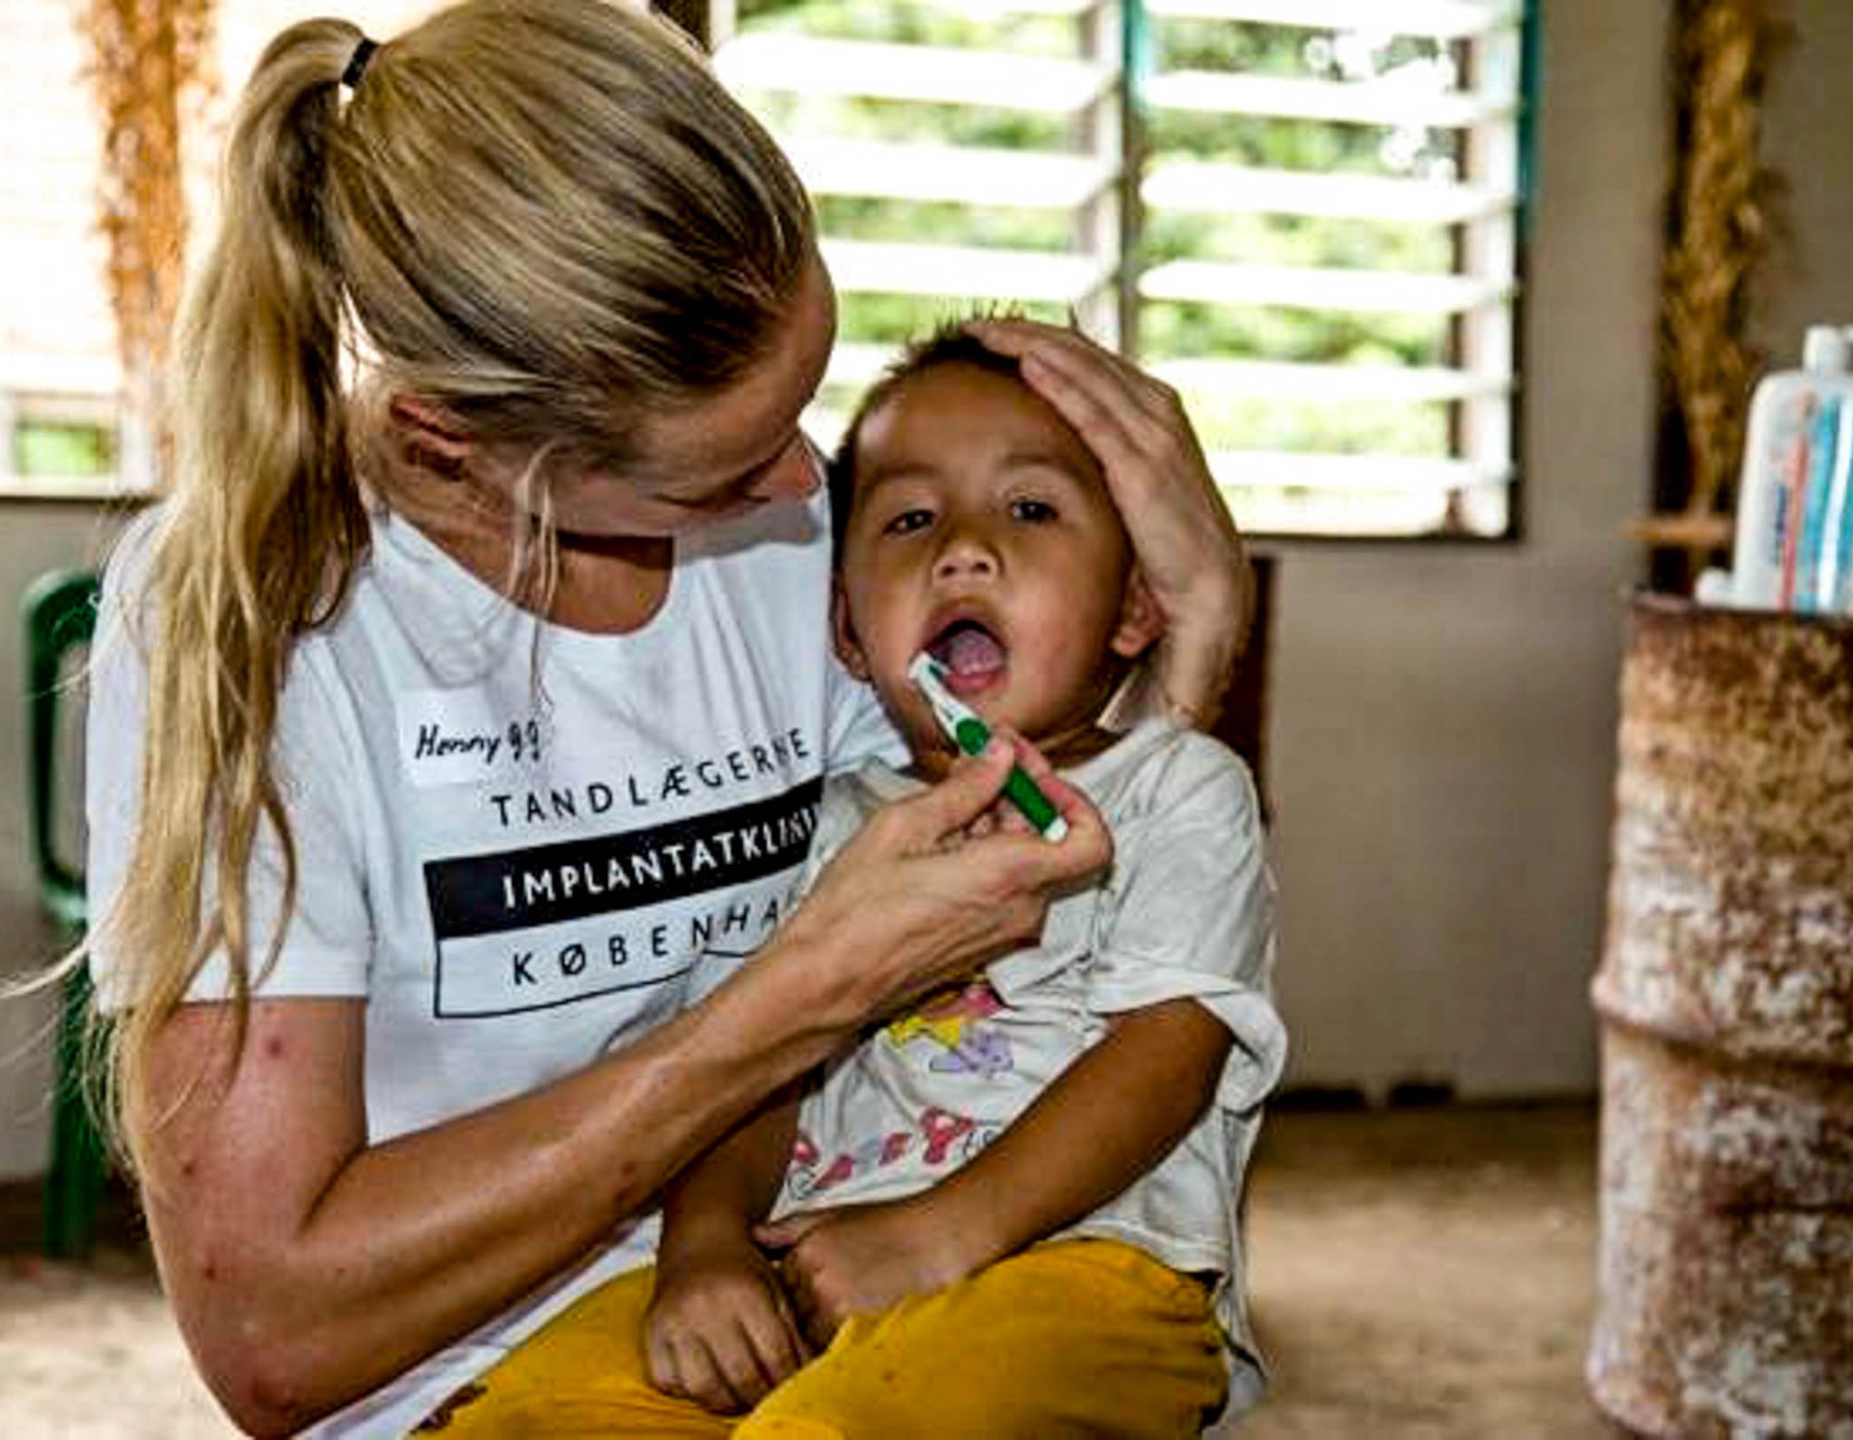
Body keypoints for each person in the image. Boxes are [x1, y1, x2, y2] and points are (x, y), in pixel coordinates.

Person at [78, 3, 1253, 1437]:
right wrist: (783, 1007)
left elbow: (1053, 941)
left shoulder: (816, 521)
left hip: (818, 1251)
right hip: (470, 1369)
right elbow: (271, 1338)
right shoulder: (253, 617)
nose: (796, 496)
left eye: (805, 418)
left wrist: (1187, 659)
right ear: (461, 440)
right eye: (718, 477)